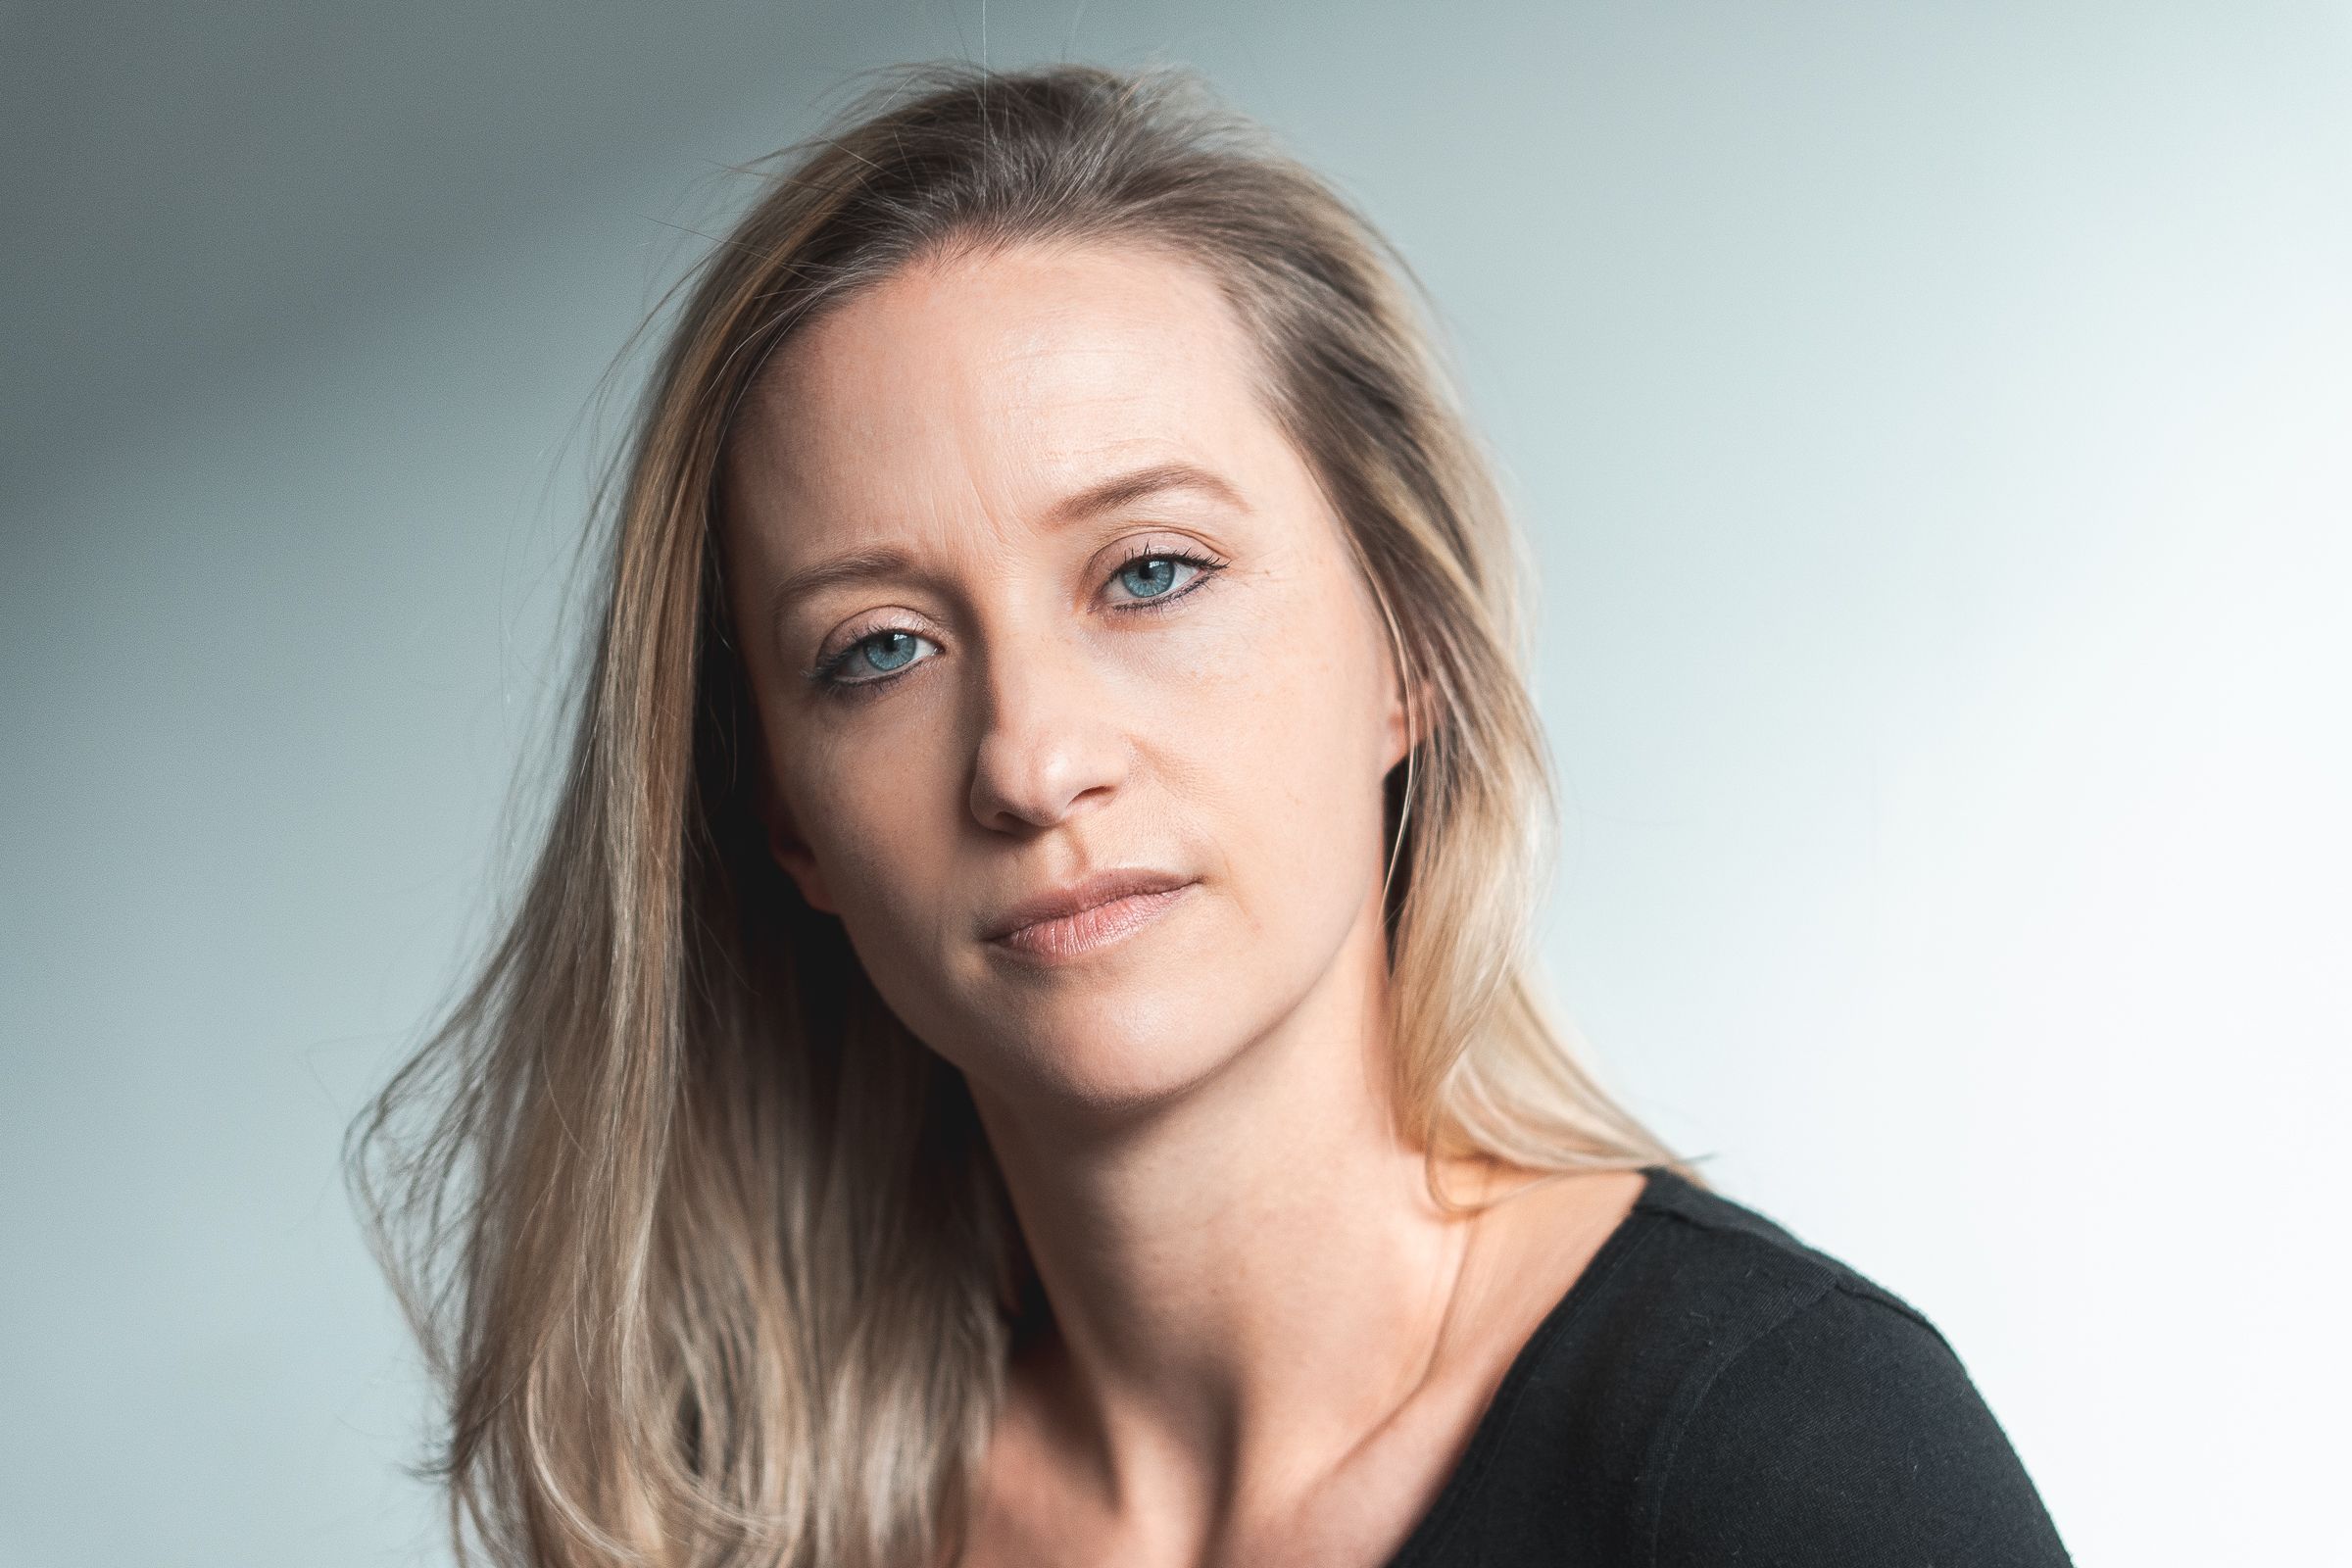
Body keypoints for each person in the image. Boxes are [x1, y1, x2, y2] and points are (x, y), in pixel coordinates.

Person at [349, 60, 2074, 1568]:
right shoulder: (737, 1522)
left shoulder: (1783, 1457)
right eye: (880, 649)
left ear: (1409, 648)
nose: (1030, 762)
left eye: (1152, 572)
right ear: (784, 820)